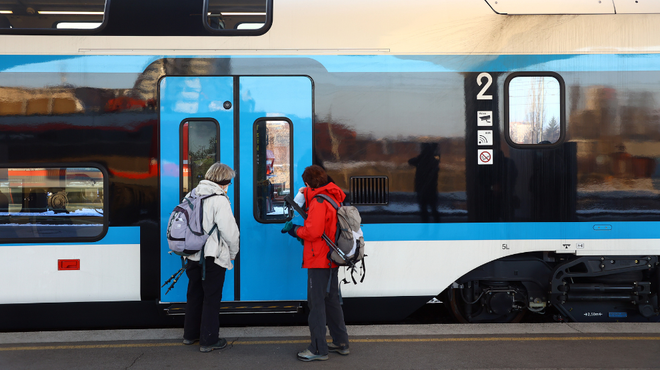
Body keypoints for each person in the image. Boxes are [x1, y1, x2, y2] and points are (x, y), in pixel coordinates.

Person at [284, 165, 350, 362]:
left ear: (307, 183)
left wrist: (294, 230)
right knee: (332, 302)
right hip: (332, 258)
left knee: (317, 304)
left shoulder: (319, 202)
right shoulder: (331, 197)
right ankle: (341, 342)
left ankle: (318, 349)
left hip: (320, 260)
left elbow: (313, 232)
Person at [182, 162, 240, 353]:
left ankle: (190, 335)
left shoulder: (191, 194)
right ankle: (209, 340)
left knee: (194, 294)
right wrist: (232, 255)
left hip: (191, 255)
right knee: (211, 298)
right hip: (212, 258)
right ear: (224, 182)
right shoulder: (219, 200)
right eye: (229, 182)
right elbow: (230, 232)